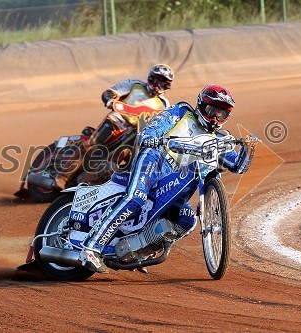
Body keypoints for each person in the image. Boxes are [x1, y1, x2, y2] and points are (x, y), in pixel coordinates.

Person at [78, 84, 256, 273]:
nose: (214, 117)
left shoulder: (218, 139)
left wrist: (248, 148)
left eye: (220, 114)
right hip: (155, 160)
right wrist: (151, 136)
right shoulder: (182, 112)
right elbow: (154, 128)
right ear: (201, 105)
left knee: (187, 220)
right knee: (136, 198)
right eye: (211, 110)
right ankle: (90, 247)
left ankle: (139, 250)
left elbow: (238, 166)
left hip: (173, 182)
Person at [54, 64, 175, 190]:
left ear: (167, 86)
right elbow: (109, 92)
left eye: (163, 83)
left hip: (137, 134)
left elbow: (164, 124)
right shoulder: (135, 84)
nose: (157, 85)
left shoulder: (164, 104)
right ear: (151, 78)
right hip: (116, 122)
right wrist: (110, 100)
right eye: (156, 80)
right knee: (92, 145)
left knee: (138, 161)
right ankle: (62, 176)